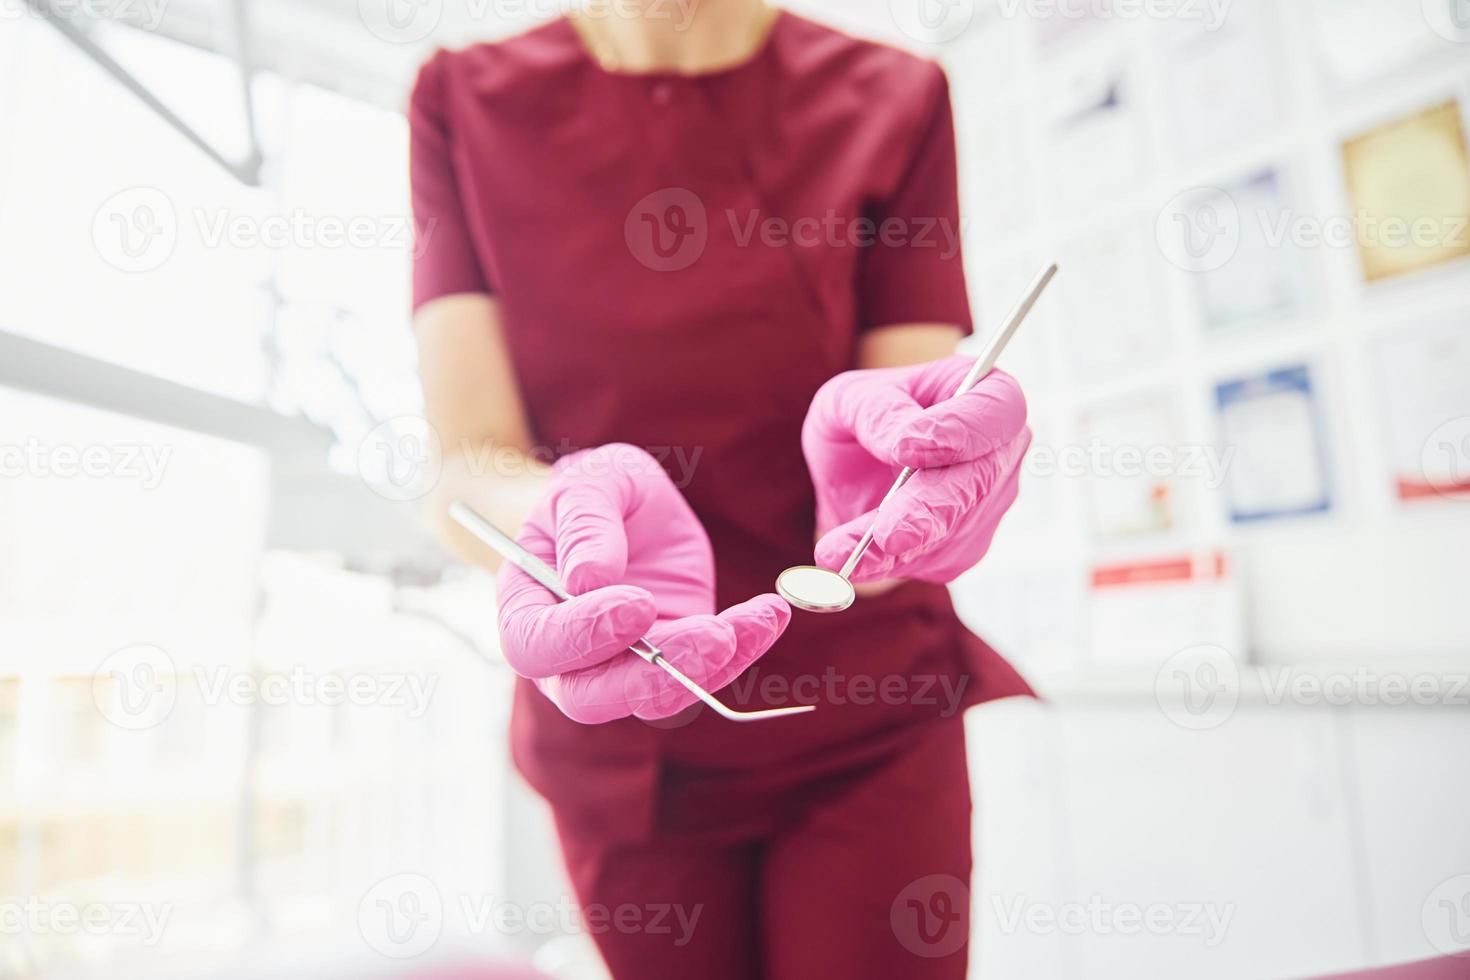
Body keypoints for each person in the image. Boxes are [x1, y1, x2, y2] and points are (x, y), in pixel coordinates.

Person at [408, 2, 1033, 976]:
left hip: (862, 714)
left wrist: (899, 493)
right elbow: (464, 463)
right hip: (626, 730)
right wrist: (568, 520)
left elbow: (900, 417)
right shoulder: (462, 99)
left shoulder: (895, 98)